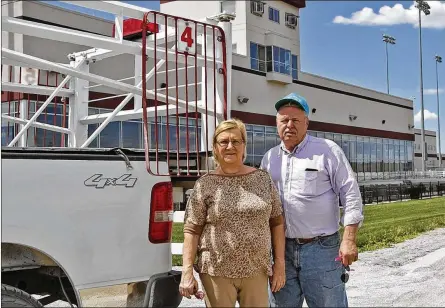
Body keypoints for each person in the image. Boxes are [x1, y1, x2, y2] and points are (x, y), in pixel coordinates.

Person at [261, 93, 364, 308]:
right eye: (284, 120)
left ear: (307, 122)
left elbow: (350, 193)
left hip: (321, 249)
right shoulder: (269, 158)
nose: (289, 125)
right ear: (276, 123)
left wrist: (349, 239)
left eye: (296, 120)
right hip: (281, 252)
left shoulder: (327, 150)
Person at [179, 118, 286, 307]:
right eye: (224, 141)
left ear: (244, 145)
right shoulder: (204, 184)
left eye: (236, 141)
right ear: (215, 147)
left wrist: (279, 264)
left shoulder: (262, 179)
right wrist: (186, 272)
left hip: (256, 269)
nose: (230, 146)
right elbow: (192, 230)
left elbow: (277, 222)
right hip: (216, 271)